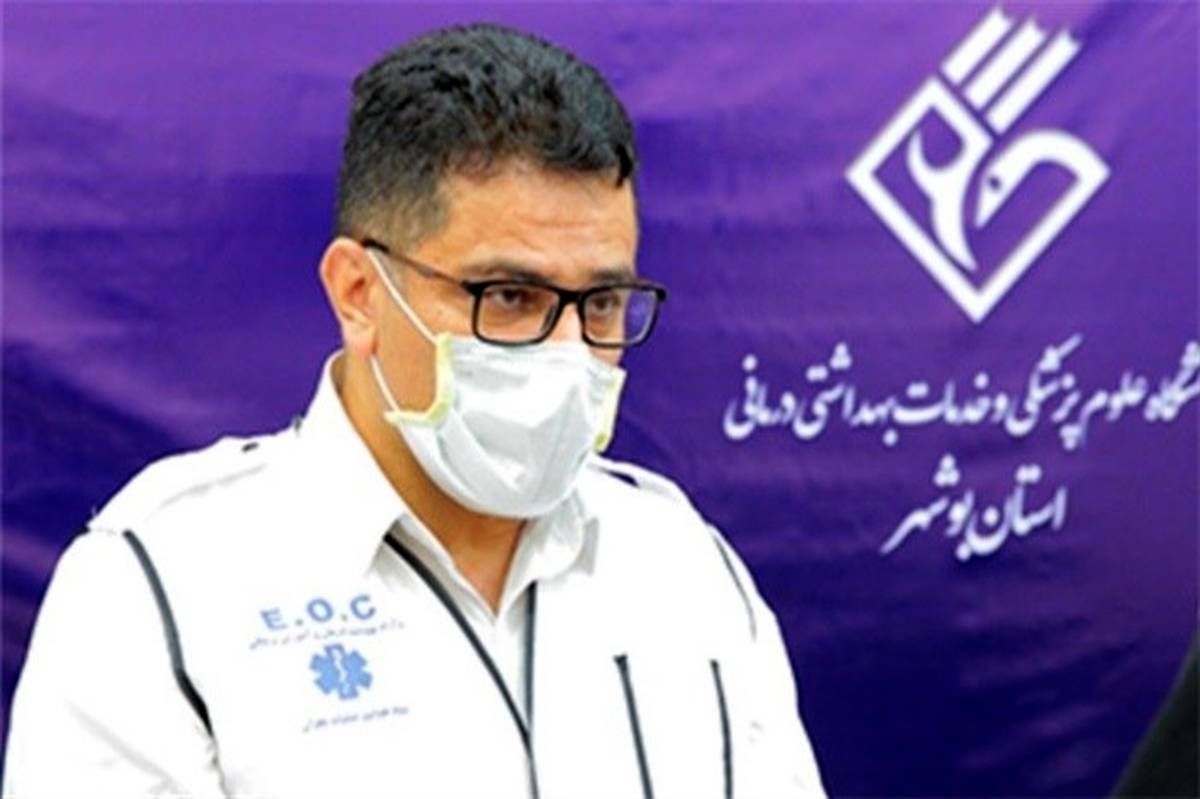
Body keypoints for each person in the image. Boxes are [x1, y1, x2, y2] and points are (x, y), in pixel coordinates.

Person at [3, 23, 825, 799]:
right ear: (359, 293)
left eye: (603, 302)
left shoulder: (682, 566)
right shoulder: (162, 587)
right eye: (510, 296)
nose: (570, 350)